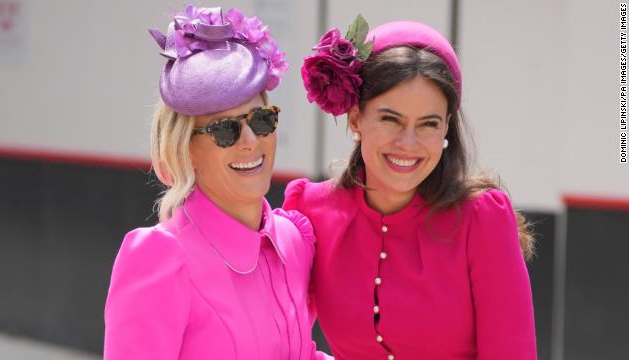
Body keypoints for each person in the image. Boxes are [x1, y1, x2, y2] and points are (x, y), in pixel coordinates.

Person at [284, 18, 537, 359]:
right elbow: (281, 336)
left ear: (447, 127)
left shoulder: (483, 220)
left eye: (429, 124)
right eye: (390, 119)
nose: (408, 143)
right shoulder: (309, 211)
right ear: (356, 118)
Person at [104, 5, 331, 359]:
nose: (250, 141)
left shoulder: (292, 241)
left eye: (261, 120)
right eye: (225, 129)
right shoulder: (161, 259)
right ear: (186, 149)